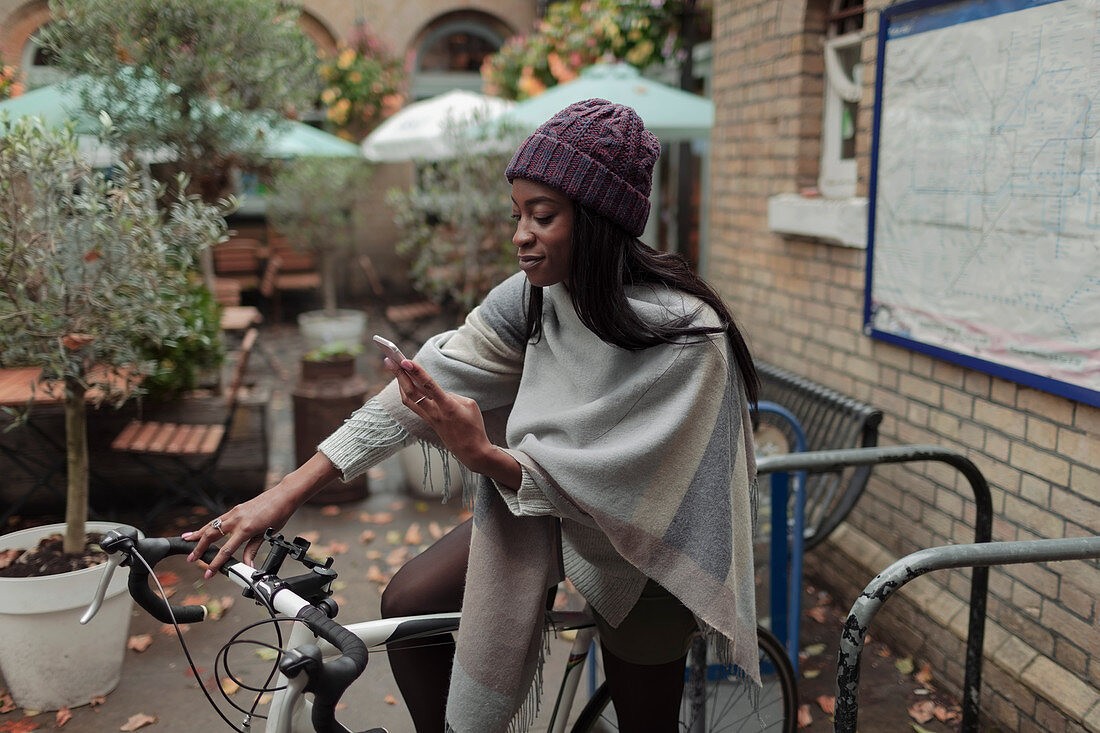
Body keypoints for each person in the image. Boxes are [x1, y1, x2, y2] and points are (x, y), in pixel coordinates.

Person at [184, 98, 761, 733]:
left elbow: (626, 485)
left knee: (644, 722)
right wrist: (284, 494)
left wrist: (482, 455)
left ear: (598, 221)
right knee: (409, 605)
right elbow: (421, 388)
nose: (520, 234)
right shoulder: (533, 299)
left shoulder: (687, 336)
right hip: (539, 512)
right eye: (516, 214)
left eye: (542, 216)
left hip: (648, 548)